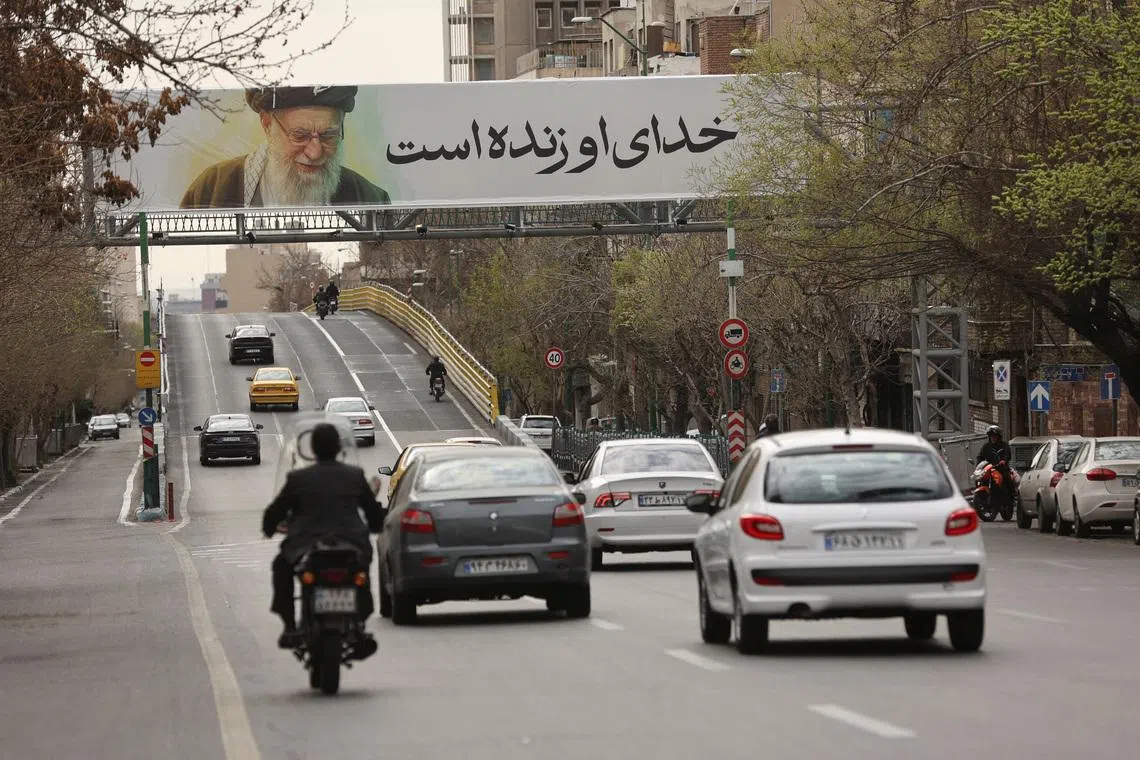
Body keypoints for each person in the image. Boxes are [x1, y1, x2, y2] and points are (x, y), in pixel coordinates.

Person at [261, 423, 384, 652]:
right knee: (361, 571)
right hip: (352, 544)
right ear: (339, 448)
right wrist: (376, 525)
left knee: (281, 567)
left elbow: (275, 511)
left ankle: (289, 626)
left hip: (306, 546)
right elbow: (373, 513)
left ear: (313, 448)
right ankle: (359, 623)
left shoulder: (299, 478)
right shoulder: (354, 476)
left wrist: (268, 528)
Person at [180, 86, 391, 209]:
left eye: (329, 135)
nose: (315, 152)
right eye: (300, 135)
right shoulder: (211, 191)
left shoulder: (371, 199)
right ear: (266, 124)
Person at [976, 425, 1015, 500]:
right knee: (979, 478)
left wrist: (1004, 460)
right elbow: (980, 456)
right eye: (991, 436)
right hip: (988, 469)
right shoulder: (986, 446)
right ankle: (982, 497)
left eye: (994, 436)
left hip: (1001, 468)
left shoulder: (1004, 445)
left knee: (1007, 478)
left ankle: (1011, 498)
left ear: (998, 436)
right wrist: (978, 464)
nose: (993, 437)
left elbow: (1008, 454)